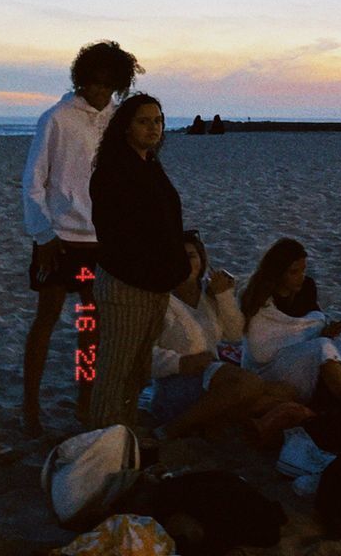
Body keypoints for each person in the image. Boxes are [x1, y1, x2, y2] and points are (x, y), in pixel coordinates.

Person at [21, 40, 142, 433]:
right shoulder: (55, 118)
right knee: (46, 321)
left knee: (90, 324)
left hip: (99, 244)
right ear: (82, 79)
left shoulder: (117, 121)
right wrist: (42, 235)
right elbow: (33, 181)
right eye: (94, 83)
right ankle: (30, 407)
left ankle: (85, 401)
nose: (99, 92)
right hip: (58, 241)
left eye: (108, 86)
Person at [88, 93, 190, 429]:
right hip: (126, 286)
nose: (153, 127)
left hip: (155, 285)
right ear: (126, 127)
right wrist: (151, 271)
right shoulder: (113, 171)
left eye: (158, 121)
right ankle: (104, 441)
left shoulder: (149, 165)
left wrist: (175, 267)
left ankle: (124, 432)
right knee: (115, 370)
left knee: (137, 370)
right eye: (143, 121)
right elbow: (118, 236)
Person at [150, 230, 294, 439]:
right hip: (178, 382)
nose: (185, 263)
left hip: (213, 377)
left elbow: (235, 334)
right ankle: (171, 430)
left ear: (201, 259)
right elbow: (143, 355)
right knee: (249, 385)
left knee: (286, 392)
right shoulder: (160, 300)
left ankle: (212, 421)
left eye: (191, 256)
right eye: (178, 258)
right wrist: (181, 362)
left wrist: (224, 295)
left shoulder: (208, 294)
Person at [240, 238, 341, 429]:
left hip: (298, 357)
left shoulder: (307, 287)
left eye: (303, 270)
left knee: (338, 346)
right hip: (268, 366)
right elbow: (261, 351)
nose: (301, 276)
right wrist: (315, 336)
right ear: (278, 273)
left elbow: (312, 323)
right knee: (322, 347)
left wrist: (324, 330)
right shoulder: (259, 297)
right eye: (294, 272)